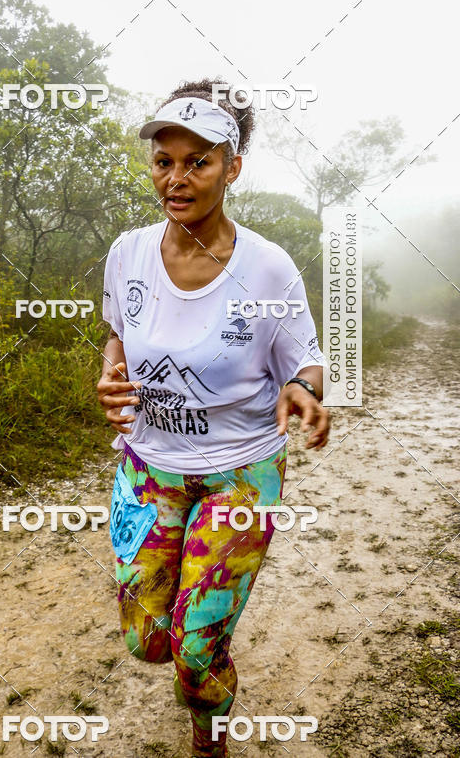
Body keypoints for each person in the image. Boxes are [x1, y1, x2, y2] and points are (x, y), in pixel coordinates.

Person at [96, 78, 330, 758]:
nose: (176, 177)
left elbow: (306, 361)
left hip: (240, 475)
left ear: (232, 166)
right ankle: (189, 641)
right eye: (164, 160)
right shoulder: (128, 253)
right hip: (147, 470)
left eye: (197, 161)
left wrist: (303, 391)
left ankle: (209, 734)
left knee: (195, 652)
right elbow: (117, 333)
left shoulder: (268, 271)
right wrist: (111, 369)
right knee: (148, 642)